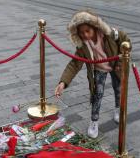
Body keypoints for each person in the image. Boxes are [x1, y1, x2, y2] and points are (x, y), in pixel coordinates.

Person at [54, 10, 130, 138]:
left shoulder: (110, 34)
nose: (85, 35)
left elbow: (126, 42)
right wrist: (63, 82)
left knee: (118, 89)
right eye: (81, 33)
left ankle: (118, 109)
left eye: (87, 31)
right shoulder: (82, 45)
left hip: (115, 65)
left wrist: (121, 60)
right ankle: (94, 121)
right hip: (99, 68)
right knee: (97, 94)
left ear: (95, 27)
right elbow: (75, 64)